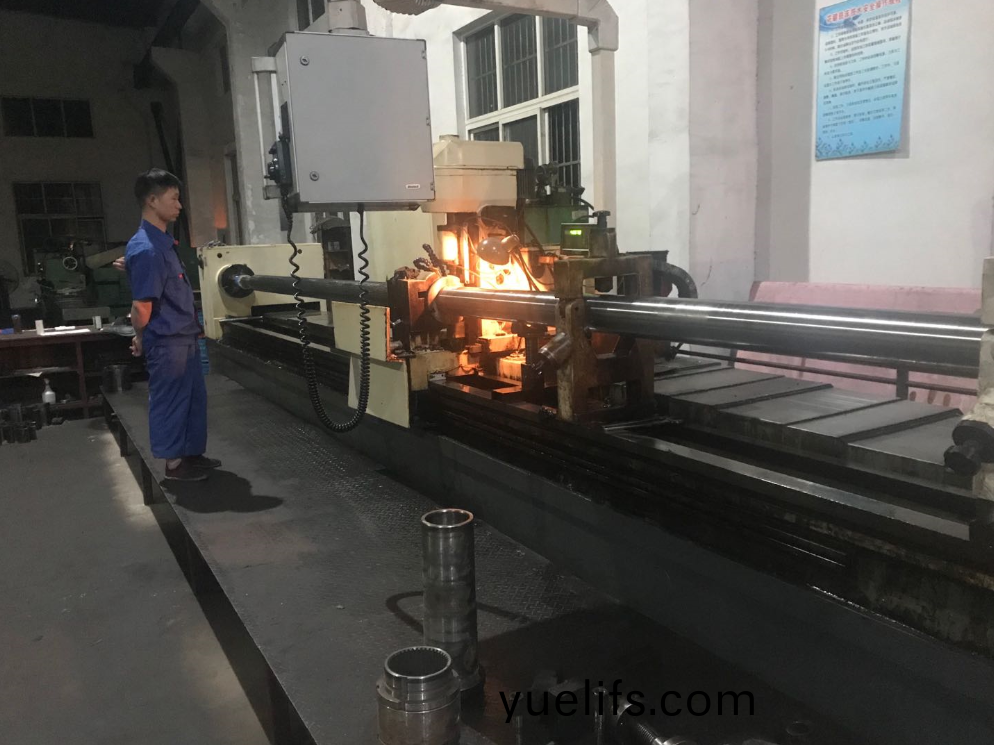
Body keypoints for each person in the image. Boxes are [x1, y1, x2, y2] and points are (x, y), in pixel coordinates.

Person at [125, 169, 220, 482]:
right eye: (174, 199)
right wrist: (140, 336)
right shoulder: (147, 249)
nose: (179, 206)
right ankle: (175, 465)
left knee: (193, 399)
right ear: (152, 200)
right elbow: (141, 306)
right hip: (167, 341)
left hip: (184, 336)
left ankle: (191, 453)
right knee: (171, 401)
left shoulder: (163, 244)